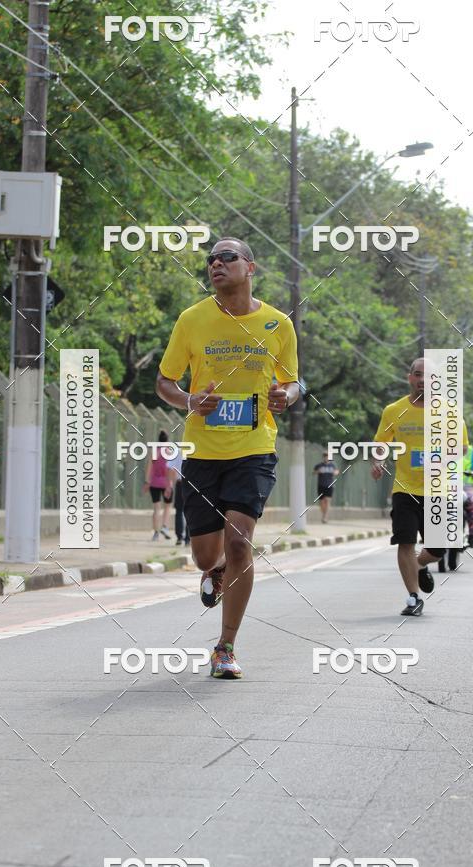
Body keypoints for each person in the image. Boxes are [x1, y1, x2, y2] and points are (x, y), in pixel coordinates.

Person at [156, 237, 299, 678]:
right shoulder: (192, 320)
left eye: (227, 257)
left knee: (240, 542)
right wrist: (188, 400)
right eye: (211, 259)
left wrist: (286, 396)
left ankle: (225, 646)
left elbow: (295, 382)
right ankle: (214, 570)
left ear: (250, 268)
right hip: (202, 452)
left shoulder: (278, 324)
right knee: (204, 555)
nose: (216, 264)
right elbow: (164, 382)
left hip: (254, 449)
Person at [371, 358, 468, 616]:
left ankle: (421, 564)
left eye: (429, 376)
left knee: (438, 548)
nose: (422, 380)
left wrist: (438, 458)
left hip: (439, 489)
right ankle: (414, 597)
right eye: (418, 374)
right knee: (405, 540)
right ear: (409, 377)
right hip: (404, 488)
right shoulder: (394, 410)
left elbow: (462, 448)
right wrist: (378, 461)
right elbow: (381, 442)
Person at [143, 429, 173, 540]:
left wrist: (147, 482)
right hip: (166, 483)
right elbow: (170, 470)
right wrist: (169, 485)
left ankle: (156, 532)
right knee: (168, 506)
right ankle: (164, 527)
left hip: (154, 483)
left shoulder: (154, 452)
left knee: (156, 508)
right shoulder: (169, 452)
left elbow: (149, 469)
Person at [166, 447, 190, 546]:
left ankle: (179, 536)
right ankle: (188, 538)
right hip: (191, 484)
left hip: (180, 483)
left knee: (179, 510)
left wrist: (170, 485)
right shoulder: (195, 451)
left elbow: (171, 469)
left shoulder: (177, 452)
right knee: (190, 510)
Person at [313, 450, 340, 523]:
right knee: (321, 502)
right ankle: (323, 513)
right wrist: (318, 471)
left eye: (327, 455)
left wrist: (335, 472)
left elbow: (337, 471)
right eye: (325, 455)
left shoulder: (333, 465)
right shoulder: (319, 465)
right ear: (323, 457)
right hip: (321, 485)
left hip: (330, 485)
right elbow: (314, 472)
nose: (326, 457)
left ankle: (325, 516)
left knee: (327, 501)